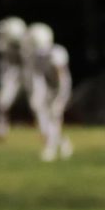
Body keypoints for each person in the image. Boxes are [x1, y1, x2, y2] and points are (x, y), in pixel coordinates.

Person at [22, 22, 73, 161]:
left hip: (60, 88)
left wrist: (60, 97)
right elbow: (38, 77)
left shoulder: (57, 52)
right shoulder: (34, 56)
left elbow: (61, 78)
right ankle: (62, 142)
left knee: (54, 116)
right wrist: (36, 94)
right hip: (46, 87)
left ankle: (50, 148)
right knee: (42, 116)